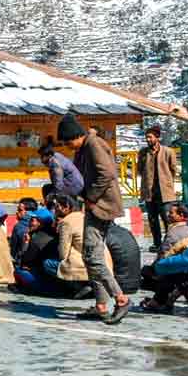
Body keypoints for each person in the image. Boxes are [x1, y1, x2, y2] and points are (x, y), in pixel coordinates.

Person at [62, 113, 130, 325]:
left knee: (92, 256)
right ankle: (101, 305)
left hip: (102, 206)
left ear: (75, 135)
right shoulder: (85, 147)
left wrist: (91, 197)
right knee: (92, 255)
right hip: (95, 206)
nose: (67, 145)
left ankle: (120, 298)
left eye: (67, 141)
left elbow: (106, 173)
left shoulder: (94, 145)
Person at [138, 126, 179, 252]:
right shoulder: (143, 153)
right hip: (150, 192)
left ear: (157, 138)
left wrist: (166, 182)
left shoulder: (168, 151)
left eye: (150, 137)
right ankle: (156, 243)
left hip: (165, 192)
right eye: (147, 137)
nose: (148, 139)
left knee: (168, 219)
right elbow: (140, 170)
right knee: (152, 219)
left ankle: (169, 243)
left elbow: (173, 169)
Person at [13, 207, 62, 295]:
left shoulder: (36, 238)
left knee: (19, 271)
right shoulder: (53, 234)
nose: (29, 223)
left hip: (45, 276)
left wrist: (26, 243)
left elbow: (24, 261)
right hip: (52, 275)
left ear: (40, 223)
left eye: (33, 220)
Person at [10, 197, 39, 264]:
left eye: (20, 210)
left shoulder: (19, 226)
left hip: (21, 262)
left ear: (28, 212)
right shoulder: (40, 222)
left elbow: (13, 249)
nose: (17, 212)